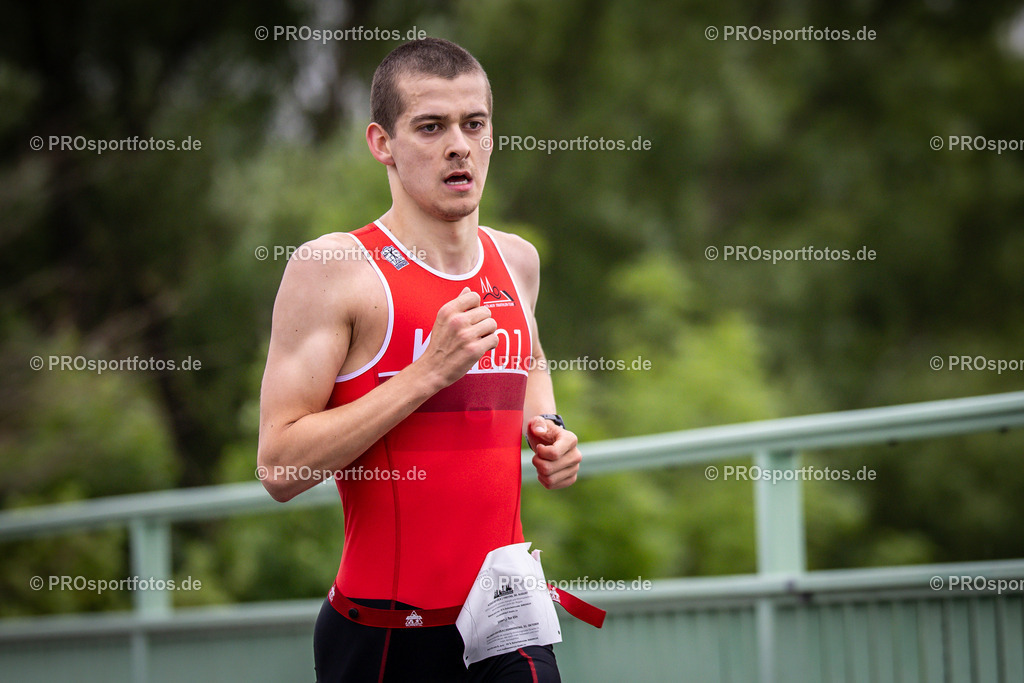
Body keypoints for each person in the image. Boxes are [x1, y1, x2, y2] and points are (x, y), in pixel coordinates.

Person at [257, 37, 583, 682]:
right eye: (430, 127)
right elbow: (279, 467)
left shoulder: (516, 261)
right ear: (382, 142)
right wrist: (425, 374)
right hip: (384, 638)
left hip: (505, 623)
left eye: (474, 124)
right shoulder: (334, 270)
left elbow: (532, 359)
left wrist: (550, 430)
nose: (457, 145)